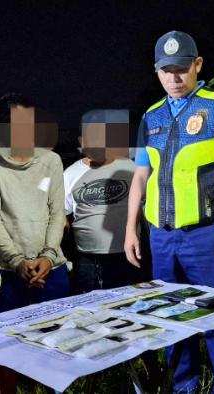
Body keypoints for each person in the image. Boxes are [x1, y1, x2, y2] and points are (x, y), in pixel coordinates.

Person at [124, 31, 214, 393]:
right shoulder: (150, 117)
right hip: (162, 236)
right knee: (173, 322)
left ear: (197, 65)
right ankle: (183, 389)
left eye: (182, 69)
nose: (175, 77)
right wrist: (129, 230)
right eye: (167, 70)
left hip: (208, 235)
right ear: (157, 72)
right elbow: (140, 177)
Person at [0, 93, 70, 393]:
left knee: (56, 344)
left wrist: (47, 256)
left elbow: (57, 213)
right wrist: (18, 261)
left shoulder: (51, 160)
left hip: (51, 267)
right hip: (7, 271)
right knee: (6, 349)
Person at [64, 109, 143, 293]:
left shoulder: (131, 168)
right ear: (81, 143)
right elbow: (62, 216)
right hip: (88, 260)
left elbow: (145, 204)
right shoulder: (69, 174)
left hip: (128, 256)